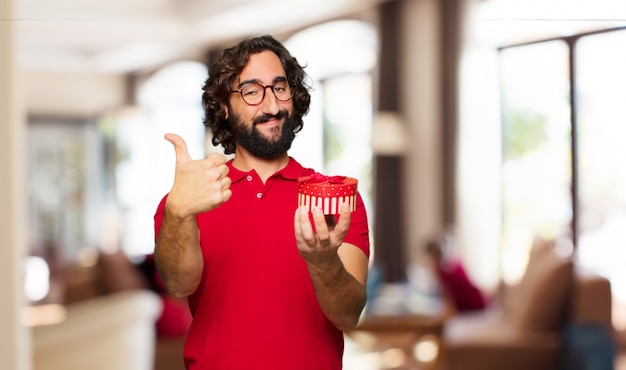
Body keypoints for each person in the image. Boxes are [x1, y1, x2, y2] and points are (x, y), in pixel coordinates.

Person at [153, 35, 370, 369]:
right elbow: (180, 284)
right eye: (252, 92)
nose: (271, 107)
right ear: (223, 107)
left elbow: (348, 315)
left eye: (279, 88)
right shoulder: (188, 199)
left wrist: (324, 262)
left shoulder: (337, 197)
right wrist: (178, 211)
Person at [424, 232, 487, 313]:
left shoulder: (443, 270)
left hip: (473, 304)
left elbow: (448, 299)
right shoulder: (451, 264)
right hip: (476, 300)